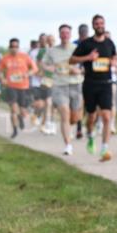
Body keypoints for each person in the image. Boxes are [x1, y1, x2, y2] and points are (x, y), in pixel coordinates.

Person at [70, 14, 117, 161]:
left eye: (101, 23)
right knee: (91, 116)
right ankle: (90, 136)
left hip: (106, 84)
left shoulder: (109, 43)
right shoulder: (86, 44)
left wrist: (113, 62)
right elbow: (72, 60)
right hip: (90, 84)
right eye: (97, 23)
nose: (99, 26)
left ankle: (104, 148)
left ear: (104, 25)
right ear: (93, 26)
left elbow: (114, 57)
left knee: (107, 116)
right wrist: (87, 58)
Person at [42, 25, 84, 155]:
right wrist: (50, 69)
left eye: (67, 33)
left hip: (75, 85)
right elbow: (44, 63)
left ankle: (70, 126)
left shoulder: (78, 49)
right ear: (59, 35)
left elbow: (86, 65)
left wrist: (79, 70)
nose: (65, 35)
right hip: (59, 86)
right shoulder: (52, 51)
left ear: (70, 35)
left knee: (75, 118)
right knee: (64, 113)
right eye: (62, 33)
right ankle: (68, 145)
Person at [0, 38, 37, 138]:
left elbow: (35, 69)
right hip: (11, 87)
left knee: (23, 111)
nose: (14, 48)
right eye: (12, 46)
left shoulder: (25, 57)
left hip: (23, 87)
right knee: (13, 110)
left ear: (18, 47)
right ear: (9, 47)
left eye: (16, 46)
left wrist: (27, 74)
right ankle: (15, 130)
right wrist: (2, 78)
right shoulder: (5, 58)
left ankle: (21, 117)